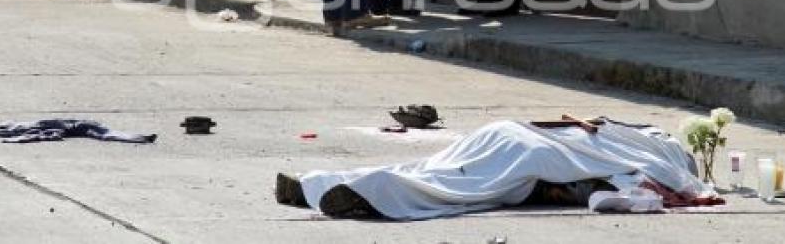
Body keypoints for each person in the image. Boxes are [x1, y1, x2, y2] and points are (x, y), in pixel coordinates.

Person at [274, 118, 718, 220]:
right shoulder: (648, 150)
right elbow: (647, 182)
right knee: (467, 185)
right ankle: (374, 193)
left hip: (513, 135)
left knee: (438, 166)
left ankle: (321, 183)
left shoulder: (621, 135)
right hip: (530, 150)